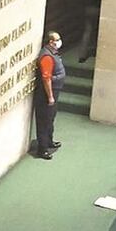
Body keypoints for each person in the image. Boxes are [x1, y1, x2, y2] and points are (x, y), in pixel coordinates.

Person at [34, 31, 65, 160]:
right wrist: (50, 96)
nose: (59, 42)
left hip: (55, 90)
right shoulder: (46, 56)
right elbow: (46, 78)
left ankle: (49, 141)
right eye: (57, 40)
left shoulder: (53, 53)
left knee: (50, 118)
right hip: (46, 93)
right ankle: (43, 149)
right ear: (50, 42)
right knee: (44, 120)